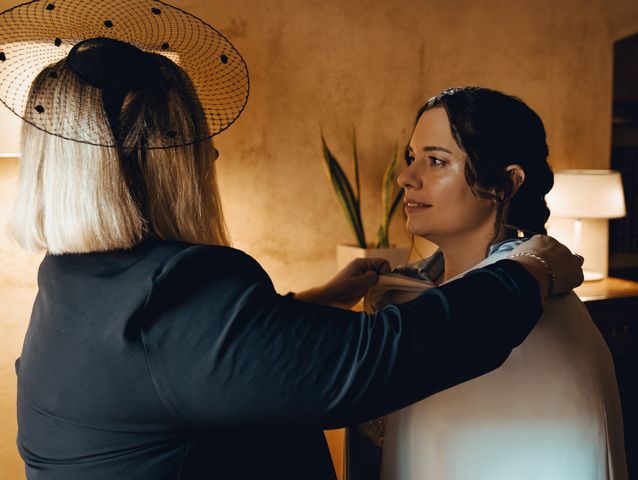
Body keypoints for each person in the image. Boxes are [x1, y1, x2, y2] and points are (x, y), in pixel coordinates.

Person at [0, 2, 581, 479]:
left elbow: (196, 364)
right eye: (198, 137)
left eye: (436, 160)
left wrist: (320, 300)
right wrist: (529, 267)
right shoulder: (179, 287)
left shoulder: (71, 281)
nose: (213, 153)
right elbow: (382, 358)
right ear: (157, 161)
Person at [360, 87, 627, 480]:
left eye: (436, 161)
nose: (406, 177)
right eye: (412, 158)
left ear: (506, 183)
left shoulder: (525, 320)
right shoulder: (417, 295)